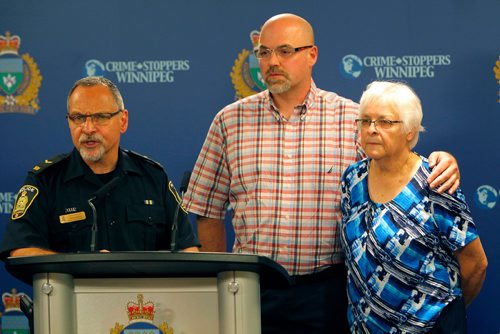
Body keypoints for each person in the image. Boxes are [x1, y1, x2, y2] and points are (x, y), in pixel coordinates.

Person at [183, 13, 460, 334]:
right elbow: (206, 208)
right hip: (250, 290)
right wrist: (226, 278)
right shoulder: (229, 122)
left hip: (328, 292)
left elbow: (398, 171)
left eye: (285, 51)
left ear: (311, 54)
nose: (272, 61)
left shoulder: (351, 118)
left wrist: (442, 160)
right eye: (263, 52)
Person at [340, 81, 487, 333]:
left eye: (385, 122)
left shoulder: (435, 181)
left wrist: (445, 314)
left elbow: (475, 264)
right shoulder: (352, 179)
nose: (372, 129)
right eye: (365, 121)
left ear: (410, 130)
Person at [1, 76, 199, 257]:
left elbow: (188, 250)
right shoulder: (45, 180)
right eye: (78, 118)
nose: (87, 128)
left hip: (143, 296)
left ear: (123, 120)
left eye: (100, 117)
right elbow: (21, 250)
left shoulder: (154, 178)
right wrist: (82, 267)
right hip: (71, 295)